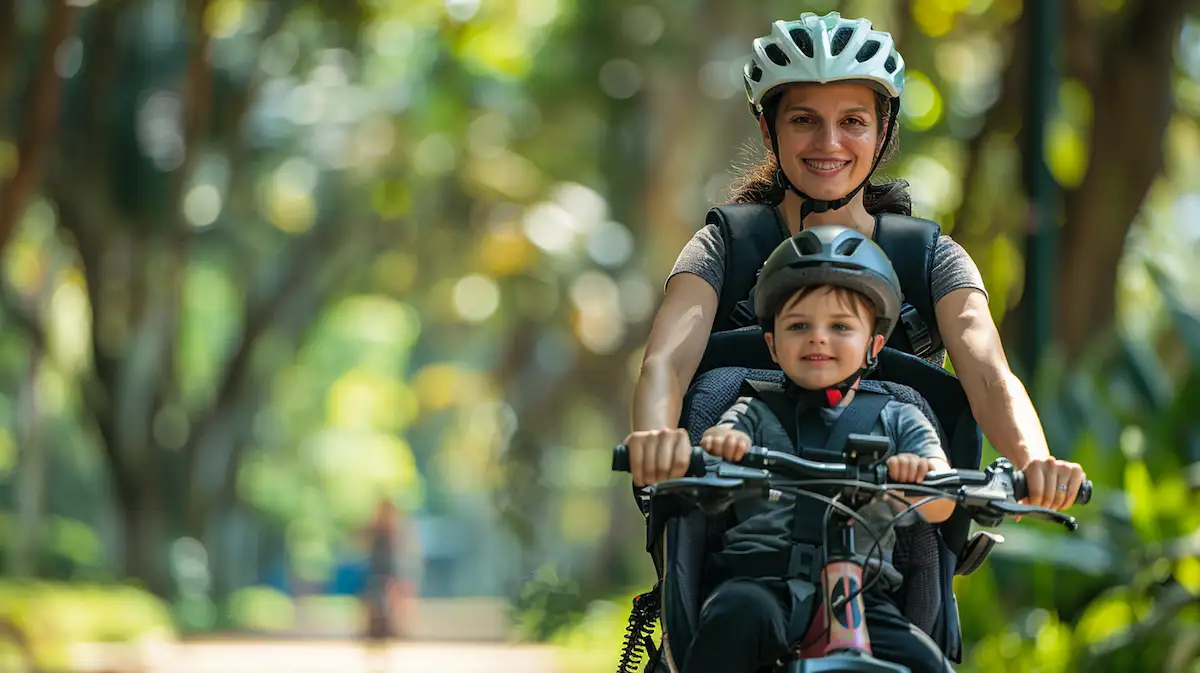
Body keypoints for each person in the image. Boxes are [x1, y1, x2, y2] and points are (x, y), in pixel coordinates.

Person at [624, 11, 1085, 509]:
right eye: (804, 120)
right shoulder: (725, 245)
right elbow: (667, 362)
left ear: (882, 131)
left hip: (893, 529)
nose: (829, 143)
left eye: (852, 122)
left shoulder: (929, 259)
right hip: (733, 524)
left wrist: (1034, 459)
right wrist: (656, 436)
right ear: (767, 129)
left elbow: (990, 375)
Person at [672, 225, 954, 673]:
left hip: (863, 596)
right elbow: (715, 452)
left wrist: (920, 478)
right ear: (773, 344)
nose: (817, 337)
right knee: (733, 619)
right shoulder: (751, 409)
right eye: (799, 326)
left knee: (926, 663)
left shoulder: (902, 417)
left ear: (874, 346)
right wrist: (725, 446)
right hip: (759, 581)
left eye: (840, 326)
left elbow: (941, 503)